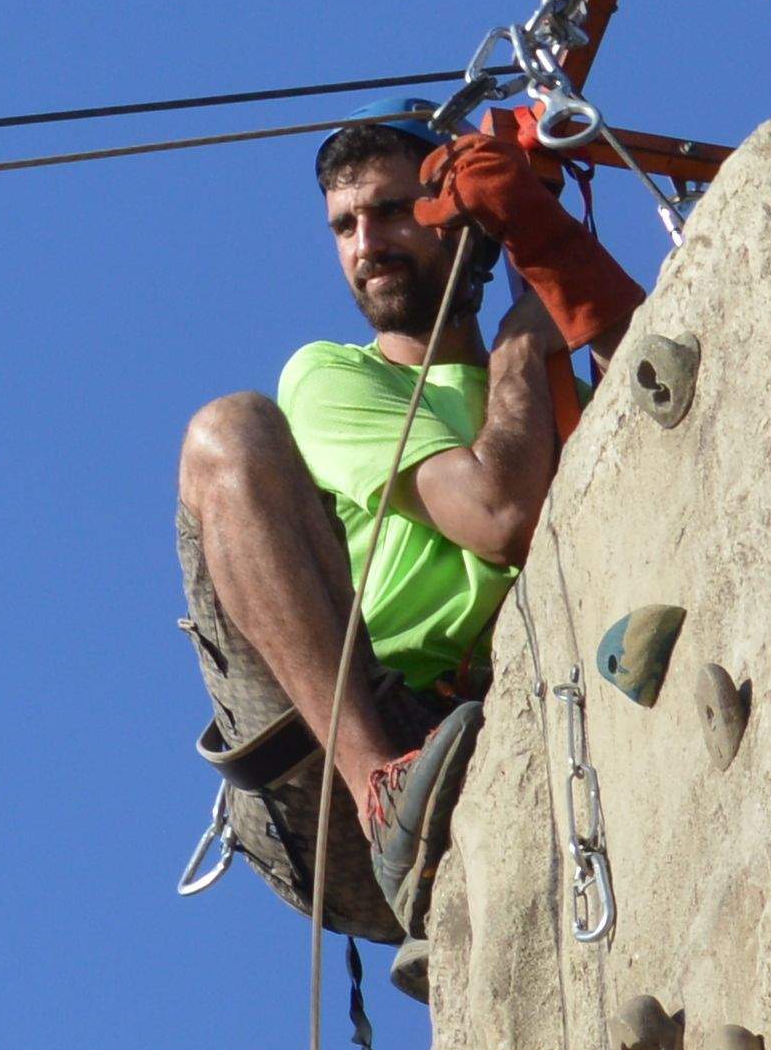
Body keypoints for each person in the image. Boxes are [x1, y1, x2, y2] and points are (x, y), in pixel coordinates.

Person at [172, 116, 645, 944]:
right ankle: (381, 794)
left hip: (491, 726)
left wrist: (547, 245)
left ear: (456, 220)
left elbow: (656, 384)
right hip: (335, 755)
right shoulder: (334, 377)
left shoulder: (554, 397)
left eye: (392, 212)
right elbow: (498, 515)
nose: (366, 244)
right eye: (345, 227)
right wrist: (515, 354)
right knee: (229, 430)